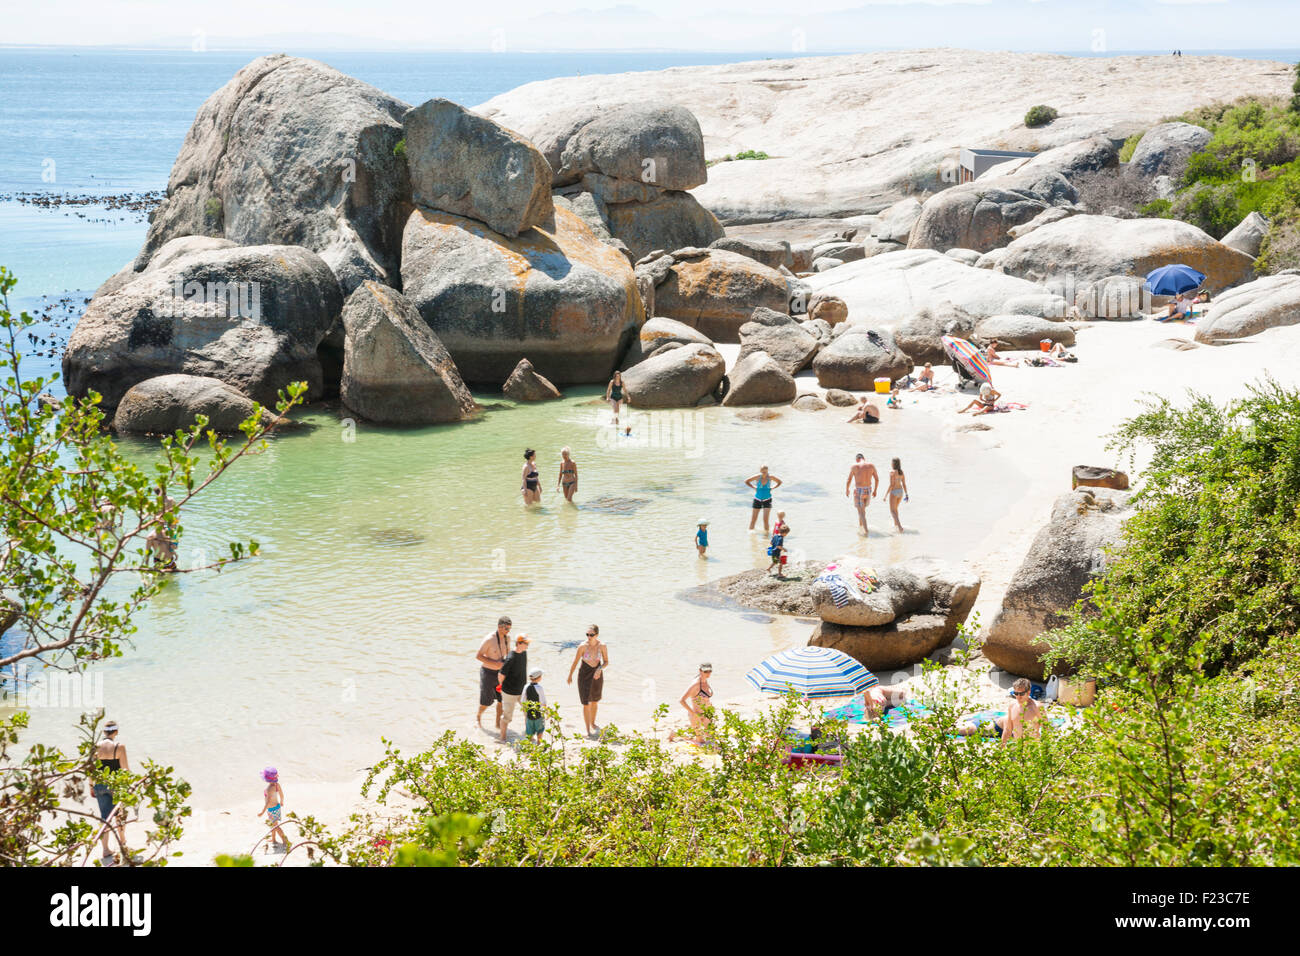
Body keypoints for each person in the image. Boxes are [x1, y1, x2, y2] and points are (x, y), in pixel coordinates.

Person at [90, 720, 129, 865]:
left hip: (99, 785)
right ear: (116, 732)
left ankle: (105, 850)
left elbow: (91, 769)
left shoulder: (95, 747)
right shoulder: (119, 747)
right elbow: (125, 769)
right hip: (116, 785)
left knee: (105, 818)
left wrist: (90, 785)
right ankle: (122, 844)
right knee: (120, 815)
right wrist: (129, 787)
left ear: (104, 732)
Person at [957, 678, 1043, 743]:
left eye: (1021, 694)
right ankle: (949, 726)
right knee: (969, 730)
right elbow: (1007, 730)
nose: (1018, 697)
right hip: (998, 728)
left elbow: (1046, 727)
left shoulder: (1037, 707)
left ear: (1028, 693)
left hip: (1015, 732)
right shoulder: (1013, 706)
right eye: (1016, 694)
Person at [567, 624, 608, 737]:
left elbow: (606, 661)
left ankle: (593, 723)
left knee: (595, 701)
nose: (589, 637)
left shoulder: (602, 646)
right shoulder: (582, 646)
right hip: (584, 675)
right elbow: (575, 662)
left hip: (597, 675)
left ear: (597, 635)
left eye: (591, 635)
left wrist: (599, 669)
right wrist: (570, 675)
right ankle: (587, 730)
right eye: (587, 634)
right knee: (586, 703)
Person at [475, 616, 512, 730]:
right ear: (499, 627)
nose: (508, 631)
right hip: (488, 673)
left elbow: (509, 653)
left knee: (501, 701)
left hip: (501, 674)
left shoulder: (507, 638)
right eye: (506, 629)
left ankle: (497, 724)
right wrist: (496, 663)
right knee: (486, 702)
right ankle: (478, 717)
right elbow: (478, 656)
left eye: (509, 629)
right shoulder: (489, 639)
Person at [498, 634, 531, 743]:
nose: (528, 645)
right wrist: (502, 687)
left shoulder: (524, 653)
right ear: (519, 643)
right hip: (509, 692)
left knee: (529, 713)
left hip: (522, 691)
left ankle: (529, 736)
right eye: (526, 643)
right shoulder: (511, 657)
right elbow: (501, 675)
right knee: (507, 717)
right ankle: (502, 738)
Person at [669, 664, 714, 744]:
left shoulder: (705, 681)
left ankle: (688, 732)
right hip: (696, 715)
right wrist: (693, 713)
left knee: (711, 737)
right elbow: (681, 700)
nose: (708, 673)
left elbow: (705, 699)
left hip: (707, 714)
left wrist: (710, 707)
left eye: (710, 671)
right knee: (700, 741)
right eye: (705, 671)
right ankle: (675, 733)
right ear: (700, 671)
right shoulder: (695, 684)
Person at [845, 453, 879, 535]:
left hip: (859, 491)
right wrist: (875, 491)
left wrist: (847, 490)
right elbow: (877, 479)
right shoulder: (871, 465)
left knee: (861, 513)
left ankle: (866, 531)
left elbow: (849, 480)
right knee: (863, 511)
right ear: (864, 458)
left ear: (857, 459)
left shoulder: (854, 466)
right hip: (868, 490)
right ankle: (860, 527)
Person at [258, 766, 288, 852]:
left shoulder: (269, 789)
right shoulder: (277, 785)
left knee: (276, 826)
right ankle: (273, 839)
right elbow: (282, 795)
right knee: (273, 824)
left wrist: (262, 812)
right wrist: (282, 802)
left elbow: (267, 803)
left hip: (271, 809)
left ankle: (285, 841)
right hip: (277, 807)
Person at [745, 465, 783, 533]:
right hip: (757, 499)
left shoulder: (771, 477)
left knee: (765, 520)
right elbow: (746, 481)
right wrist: (754, 487)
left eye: (765, 472)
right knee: (753, 519)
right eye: (762, 472)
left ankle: (766, 537)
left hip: (767, 500)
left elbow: (779, 482)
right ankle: (750, 535)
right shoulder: (757, 477)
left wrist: (772, 488)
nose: (763, 473)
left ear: (767, 471)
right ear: (760, 471)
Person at [523, 669, 547, 744]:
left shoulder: (526, 686)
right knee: (540, 730)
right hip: (538, 713)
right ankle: (539, 744)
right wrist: (547, 712)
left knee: (529, 731)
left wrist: (525, 713)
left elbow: (523, 701)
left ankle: (529, 745)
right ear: (538, 677)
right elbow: (543, 702)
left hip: (529, 713)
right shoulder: (539, 688)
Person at [886, 457, 909, 532]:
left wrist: (886, 495)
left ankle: (899, 527)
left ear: (893, 464)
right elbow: (904, 484)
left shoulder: (892, 472)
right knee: (895, 510)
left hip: (894, 492)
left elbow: (891, 485)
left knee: (892, 511)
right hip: (901, 492)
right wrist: (906, 494)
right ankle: (896, 525)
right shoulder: (901, 472)